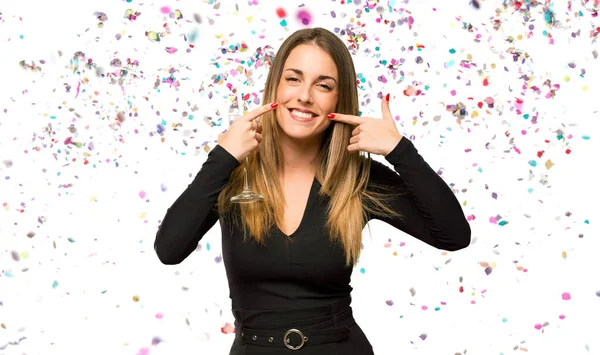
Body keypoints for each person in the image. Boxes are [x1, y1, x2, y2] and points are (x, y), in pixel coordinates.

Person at [154, 27, 471, 354]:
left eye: (323, 85)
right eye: (293, 79)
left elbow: (453, 236)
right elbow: (169, 249)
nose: (305, 95)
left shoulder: (358, 179)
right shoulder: (233, 176)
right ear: (275, 86)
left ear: (339, 99)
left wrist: (400, 151)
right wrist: (221, 159)